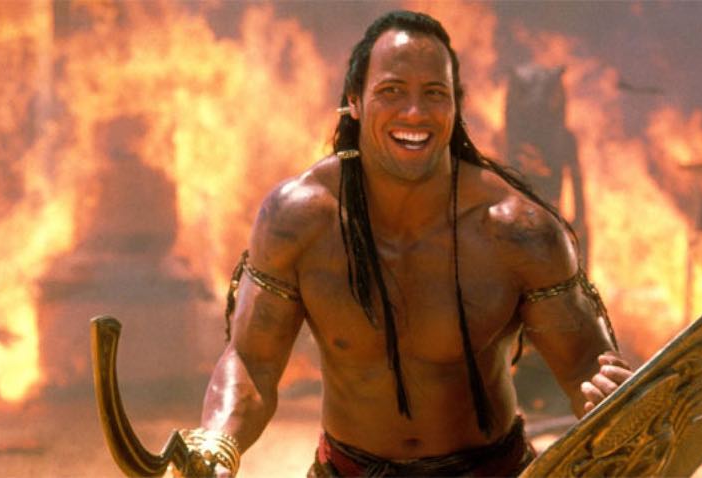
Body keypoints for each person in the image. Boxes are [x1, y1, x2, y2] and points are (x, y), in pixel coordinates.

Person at [188, 10, 632, 478]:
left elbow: (585, 367)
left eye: (434, 93)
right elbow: (252, 360)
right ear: (354, 101)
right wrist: (217, 444)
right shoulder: (298, 220)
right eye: (392, 91)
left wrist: (614, 404)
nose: (415, 113)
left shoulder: (517, 230)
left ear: (456, 106)